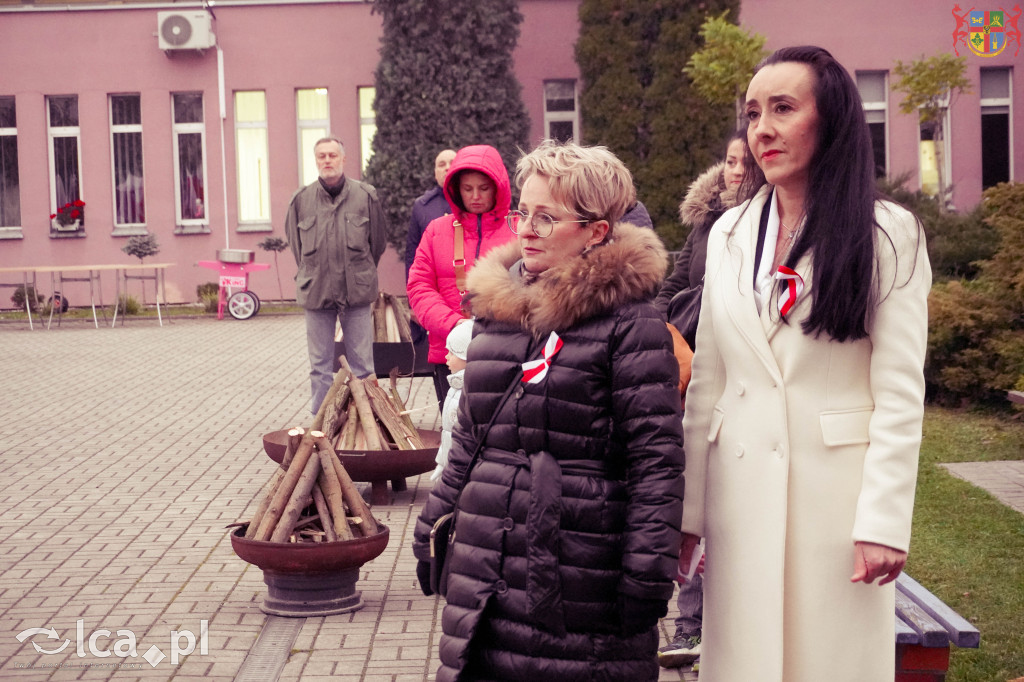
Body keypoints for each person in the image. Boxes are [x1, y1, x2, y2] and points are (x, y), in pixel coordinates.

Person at [680, 46, 931, 681]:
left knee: (831, 664)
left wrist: (884, 521)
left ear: (832, 120)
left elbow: (899, 392)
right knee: (743, 662)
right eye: (752, 113)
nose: (761, 128)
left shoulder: (887, 233)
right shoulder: (729, 235)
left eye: (783, 109)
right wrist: (688, 515)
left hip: (837, 508)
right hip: (738, 501)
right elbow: (708, 381)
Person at [412, 140, 685, 681]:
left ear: (596, 232)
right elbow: (470, 437)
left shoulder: (632, 327)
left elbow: (656, 464)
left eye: (547, 217)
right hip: (485, 571)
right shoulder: (498, 311)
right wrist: (430, 523)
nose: (526, 229)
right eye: (524, 213)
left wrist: (647, 574)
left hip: (581, 578)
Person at [653, 126, 757, 670]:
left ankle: (716, 624)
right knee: (693, 491)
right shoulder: (707, 224)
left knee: (724, 502)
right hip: (692, 370)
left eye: (743, 161)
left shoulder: (768, 229)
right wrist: (663, 325)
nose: (734, 169)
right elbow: (674, 284)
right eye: (729, 160)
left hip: (741, 378)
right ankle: (691, 624)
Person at [407, 144, 517, 409]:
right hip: (449, 352)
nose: (476, 196)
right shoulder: (436, 230)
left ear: (498, 187)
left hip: (503, 352)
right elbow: (419, 287)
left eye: (484, 188)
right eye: (468, 189)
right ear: (456, 190)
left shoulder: (519, 229)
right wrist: (455, 326)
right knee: (453, 426)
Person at [285, 136, 387, 414]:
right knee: (319, 367)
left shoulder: (365, 196)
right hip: (316, 293)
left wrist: (358, 272)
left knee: (363, 366)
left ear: (343, 159)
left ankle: (368, 421)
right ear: (316, 160)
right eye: (322, 156)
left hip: (356, 293)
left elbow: (376, 244)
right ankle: (322, 426)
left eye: (332, 155)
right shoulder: (301, 200)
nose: (327, 160)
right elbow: (298, 249)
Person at [405, 149, 457, 345]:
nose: (447, 168)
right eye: (441, 164)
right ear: (435, 172)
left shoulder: (473, 202)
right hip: (434, 294)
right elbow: (412, 256)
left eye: (452, 162)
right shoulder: (422, 206)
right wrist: (413, 304)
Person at [429, 318, 472, 482]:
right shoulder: (454, 388)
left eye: (452, 352)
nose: (446, 357)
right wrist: (442, 461)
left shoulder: (468, 393)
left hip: (465, 468)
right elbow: (448, 432)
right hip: (454, 465)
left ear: (466, 355)